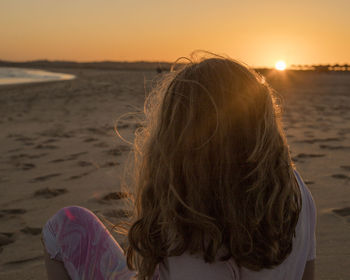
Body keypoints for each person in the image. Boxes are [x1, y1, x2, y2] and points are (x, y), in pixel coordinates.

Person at [42, 53, 316, 280]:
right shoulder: (294, 188)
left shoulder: (196, 223)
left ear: (176, 139)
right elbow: (307, 274)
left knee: (65, 224)